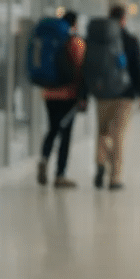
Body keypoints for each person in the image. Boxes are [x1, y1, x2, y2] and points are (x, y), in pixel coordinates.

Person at [80, 5, 140, 190]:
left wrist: (84, 95)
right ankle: (115, 177)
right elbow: (137, 68)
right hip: (125, 96)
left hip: (102, 95)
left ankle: (101, 163)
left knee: (102, 133)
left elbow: (86, 68)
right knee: (118, 135)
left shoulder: (94, 41)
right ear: (124, 19)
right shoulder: (130, 40)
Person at [38, 11, 85, 188]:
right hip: (68, 96)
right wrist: (83, 96)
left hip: (49, 94)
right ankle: (60, 175)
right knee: (65, 134)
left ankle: (44, 158)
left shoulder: (51, 39)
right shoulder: (75, 42)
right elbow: (81, 69)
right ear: (74, 23)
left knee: (52, 129)